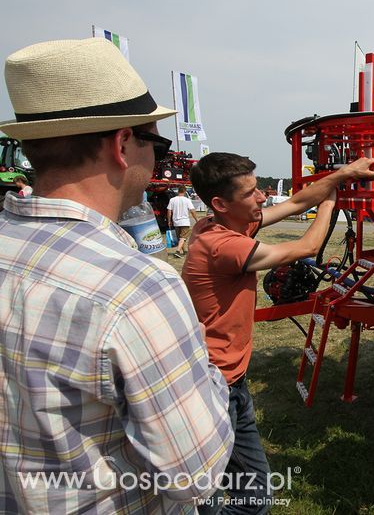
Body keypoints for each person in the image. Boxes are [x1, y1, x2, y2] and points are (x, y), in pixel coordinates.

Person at [0, 38, 234, 513]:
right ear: (123, 143)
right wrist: (207, 372)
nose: (159, 160)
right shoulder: (136, 288)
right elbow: (197, 472)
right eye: (157, 142)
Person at [182, 152, 374, 513]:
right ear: (220, 204)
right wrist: (329, 205)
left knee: (254, 498)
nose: (262, 197)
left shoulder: (227, 225)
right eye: (252, 193)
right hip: (212, 387)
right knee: (207, 498)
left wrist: (342, 173)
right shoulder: (223, 245)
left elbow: (296, 201)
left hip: (231, 383)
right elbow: (307, 248)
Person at [167, 184, 199, 257]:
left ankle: (184, 251)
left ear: (178, 191)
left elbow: (169, 211)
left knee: (180, 238)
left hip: (176, 221)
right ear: (185, 191)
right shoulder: (187, 200)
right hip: (185, 221)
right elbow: (192, 210)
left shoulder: (172, 200)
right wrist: (196, 219)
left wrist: (169, 221)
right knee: (183, 238)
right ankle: (178, 251)